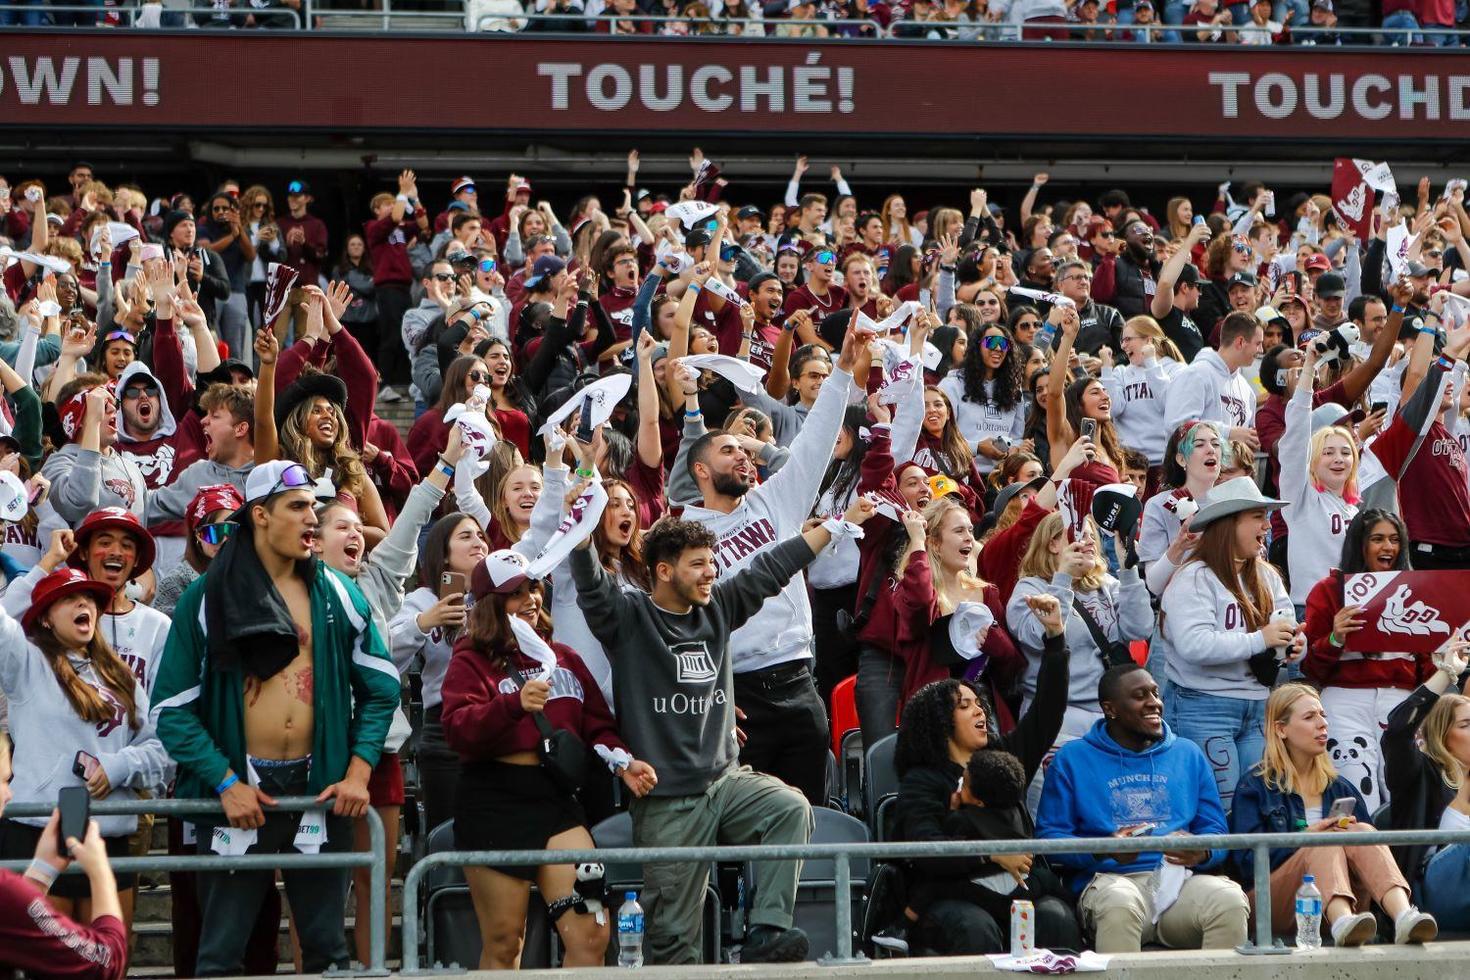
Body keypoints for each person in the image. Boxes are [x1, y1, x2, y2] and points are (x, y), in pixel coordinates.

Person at [570, 498, 876, 965]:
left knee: (791, 808)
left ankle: (768, 930)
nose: (711, 572)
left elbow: (774, 565)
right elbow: (590, 581)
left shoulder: (719, 607)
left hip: (725, 782)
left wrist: (837, 525)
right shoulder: (628, 619)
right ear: (665, 572)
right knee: (674, 940)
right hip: (668, 800)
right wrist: (579, 514)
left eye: (712, 562)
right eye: (698, 564)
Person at [151, 460, 402, 976]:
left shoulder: (337, 591)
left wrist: (357, 771)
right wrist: (224, 782)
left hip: (318, 791)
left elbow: (383, 689)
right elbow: (171, 711)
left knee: (328, 951)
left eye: (314, 505)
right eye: (299, 507)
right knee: (220, 955)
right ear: (260, 515)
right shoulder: (205, 596)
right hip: (241, 798)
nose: (313, 518)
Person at [441, 547, 657, 969]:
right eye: (515, 593)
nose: (531, 600)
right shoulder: (469, 659)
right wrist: (512, 706)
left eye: (534, 588)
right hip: (493, 804)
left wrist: (623, 761)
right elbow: (458, 731)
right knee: (506, 942)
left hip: (557, 802)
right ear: (490, 606)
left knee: (592, 933)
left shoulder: (567, 658)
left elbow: (598, 724)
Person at [677, 326, 860, 804]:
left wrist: (842, 372)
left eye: (745, 450)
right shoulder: (682, 536)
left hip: (800, 681)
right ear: (701, 470)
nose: (744, 455)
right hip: (737, 695)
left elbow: (816, 443)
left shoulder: (774, 500)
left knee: (808, 816)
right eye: (729, 450)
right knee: (744, 828)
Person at [888, 592, 1080, 956]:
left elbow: (1048, 711)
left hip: (1019, 886)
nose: (979, 711)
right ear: (941, 722)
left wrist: (1055, 637)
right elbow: (924, 849)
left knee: (1056, 916)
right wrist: (989, 856)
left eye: (979, 703)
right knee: (974, 927)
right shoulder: (922, 781)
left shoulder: (1004, 756)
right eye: (965, 706)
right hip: (955, 894)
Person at [1036, 663, 1250, 954]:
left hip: (1177, 883)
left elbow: (1216, 831)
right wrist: (1104, 848)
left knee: (1229, 900)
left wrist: (1203, 851)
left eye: (1155, 693)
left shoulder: (1188, 753)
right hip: (1109, 882)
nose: (1154, 703)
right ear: (1110, 709)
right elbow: (1049, 840)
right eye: (1140, 696)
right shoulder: (1072, 758)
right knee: (1120, 903)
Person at [0, 563, 169, 931]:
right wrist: (41, 568)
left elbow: (162, 748)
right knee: (51, 968)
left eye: (90, 599)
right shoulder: (24, 661)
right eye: (70, 599)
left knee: (109, 963)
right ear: (44, 618)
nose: (85, 605)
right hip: (37, 833)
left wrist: (119, 766)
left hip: (108, 837)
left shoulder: (120, 674)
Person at [1229, 683, 1437, 946]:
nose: (1322, 724)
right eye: (1309, 717)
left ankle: (1404, 916)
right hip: (1272, 901)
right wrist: (1307, 837)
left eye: (1323, 715)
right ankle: (1341, 924)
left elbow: (1371, 856)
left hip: (1347, 896)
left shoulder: (1340, 786)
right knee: (1323, 843)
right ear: (1281, 729)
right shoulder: (1255, 785)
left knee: (1362, 832)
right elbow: (1247, 863)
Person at [1161, 476, 1302, 808]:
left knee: (1258, 807)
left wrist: (1293, 645)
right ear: (1229, 524)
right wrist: (1260, 639)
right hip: (1203, 707)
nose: (1267, 525)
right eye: (1257, 517)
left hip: (1257, 707)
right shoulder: (1195, 577)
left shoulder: (1267, 575)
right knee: (1219, 809)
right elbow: (1194, 645)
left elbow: (1282, 629)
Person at [1006, 510, 1153, 810]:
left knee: (1113, 812)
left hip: (1112, 719)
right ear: (1052, 544)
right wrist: (1062, 580)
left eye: (1091, 534)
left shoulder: (1106, 584)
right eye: (1077, 533)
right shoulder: (1030, 588)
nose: (1087, 542)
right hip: (1057, 722)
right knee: (1055, 812)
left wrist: (1128, 572)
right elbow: (1038, 635)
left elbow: (1139, 628)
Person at [1303, 510, 1431, 813]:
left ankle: (1403, 861)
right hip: (1344, 703)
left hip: (1401, 705)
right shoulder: (1328, 590)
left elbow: (1427, 668)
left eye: (1394, 540)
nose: (1388, 547)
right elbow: (1310, 667)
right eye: (1377, 539)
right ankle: (1357, 858)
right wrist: (1335, 638)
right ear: (1358, 544)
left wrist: (1445, 654)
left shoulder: (1419, 590)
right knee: (1356, 793)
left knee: (1404, 795)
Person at [1383, 641, 1470, 929]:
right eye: (1466, 725)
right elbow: (1396, 732)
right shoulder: (1420, 774)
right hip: (1432, 893)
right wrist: (1445, 673)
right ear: (1443, 735)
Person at [0, 809, 128, 980]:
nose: (10, 794)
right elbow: (105, 960)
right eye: (5, 783)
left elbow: (12, 920)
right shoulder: (6, 889)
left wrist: (39, 875)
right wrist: (101, 872)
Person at [1162, 310, 1262, 454]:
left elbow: (1246, 436)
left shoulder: (1247, 390)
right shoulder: (1195, 374)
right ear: (1240, 342)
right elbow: (1178, 427)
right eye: (1258, 343)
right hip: (1191, 474)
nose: (1261, 350)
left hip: (1232, 474)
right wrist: (1228, 433)